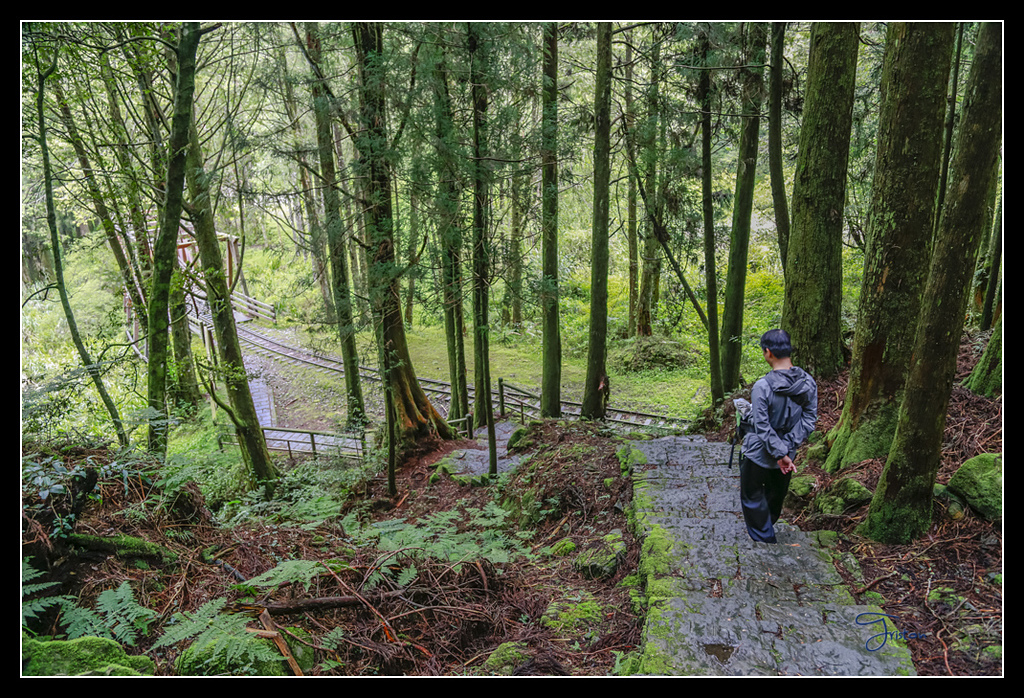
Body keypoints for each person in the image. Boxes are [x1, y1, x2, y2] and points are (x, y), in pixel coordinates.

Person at [739, 329, 818, 543]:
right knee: (776, 494)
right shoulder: (808, 383)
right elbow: (809, 420)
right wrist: (786, 448)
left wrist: (778, 451)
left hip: (758, 452)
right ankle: (768, 526)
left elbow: (762, 426)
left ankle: (764, 538)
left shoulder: (762, 386)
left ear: (768, 352)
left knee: (752, 494)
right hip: (789, 454)